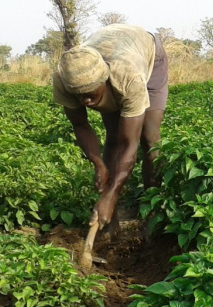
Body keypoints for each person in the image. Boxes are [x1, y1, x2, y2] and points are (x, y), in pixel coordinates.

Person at [52, 24, 168, 229]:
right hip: (112, 49)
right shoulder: (65, 79)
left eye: (89, 92)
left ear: (103, 81)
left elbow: (129, 144)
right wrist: (99, 164)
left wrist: (112, 194)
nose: (85, 100)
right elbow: (80, 125)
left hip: (147, 55)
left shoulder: (128, 78)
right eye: (78, 94)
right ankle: (108, 221)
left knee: (149, 139)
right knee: (113, 138)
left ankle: (153, 212)